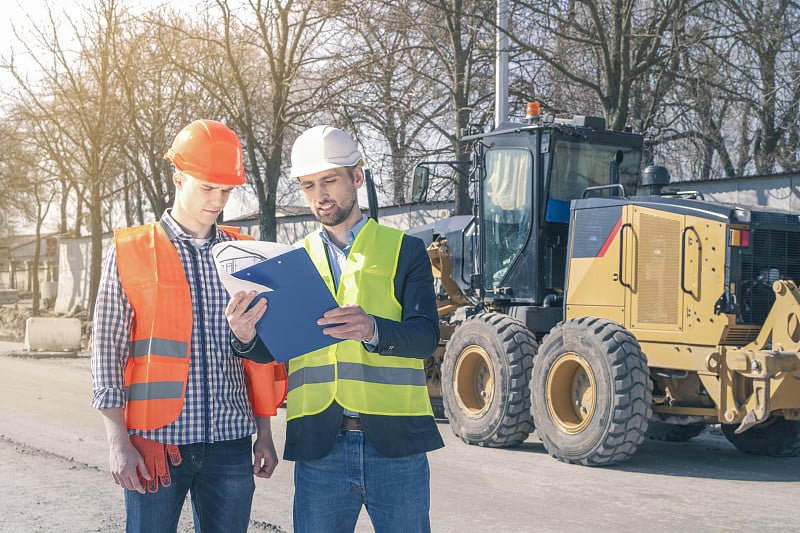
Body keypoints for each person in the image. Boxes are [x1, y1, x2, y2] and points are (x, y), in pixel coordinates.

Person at [234, 125, 444, 532]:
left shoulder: (405, 250)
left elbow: (424, 338)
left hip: (395, 445)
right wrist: (243, 338)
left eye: (329, 180)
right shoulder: (292, 260)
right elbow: (274, 346)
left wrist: (373, 330)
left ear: (358, 178)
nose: (320, 195)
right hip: (320, 446)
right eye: (309, 185)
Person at [91, 119, 287, 533]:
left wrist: (264, 432)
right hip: (157, 442)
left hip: (231, 443)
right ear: (178, 178)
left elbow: (259, 356)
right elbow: (107, 353)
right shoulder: (131, 251)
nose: (217, 201)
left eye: (226, 191)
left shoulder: (246, 254)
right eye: (207, 188)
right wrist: (118, 442)